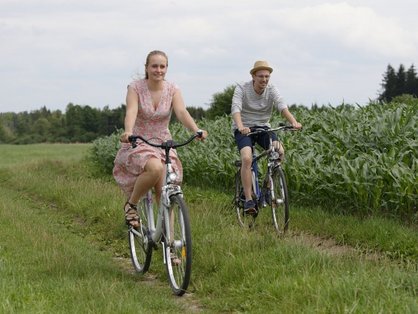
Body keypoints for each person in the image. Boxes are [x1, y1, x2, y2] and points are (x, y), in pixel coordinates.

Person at [113, 50, 208, 228]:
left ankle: (170, 247)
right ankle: (131, 205)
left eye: (162, 66)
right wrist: (128, 131)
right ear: (147, 68)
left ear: (166, 68)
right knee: (155, 168)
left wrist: (196, 130)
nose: (158, 70)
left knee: (164, 191)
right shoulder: (135, 88)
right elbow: (131, 111)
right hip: (139, 139)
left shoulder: (172, 89)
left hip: (163, 141)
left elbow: (181, 112)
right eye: (154, 66)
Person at [231, 60, 302, 215]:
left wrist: (293, 122)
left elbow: (282, 106)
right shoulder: (242, 88)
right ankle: (249, 200)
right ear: (253, 76)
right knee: (247, 159)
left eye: (267, 76)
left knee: (279, 151)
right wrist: (240, 125)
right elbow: (236, 109)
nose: (264, 79)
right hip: (244, 129)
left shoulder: (271, 89)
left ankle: (269, 188)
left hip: (263, 127)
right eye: (261, 76)